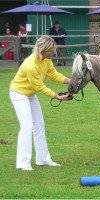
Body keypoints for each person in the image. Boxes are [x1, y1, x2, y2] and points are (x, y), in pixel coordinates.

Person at [9, 35, 71, 171]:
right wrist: (57, 96)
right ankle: (23, 163)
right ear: (43, 50)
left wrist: (70, 81)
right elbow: (39, 87)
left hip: (30, 94)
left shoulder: (46, 60)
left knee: (40, 125)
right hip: (18, 93)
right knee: (27, 126)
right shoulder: (30, 65)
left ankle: (43, 159)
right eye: (51, 50)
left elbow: (54, 75)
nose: (53, 52)